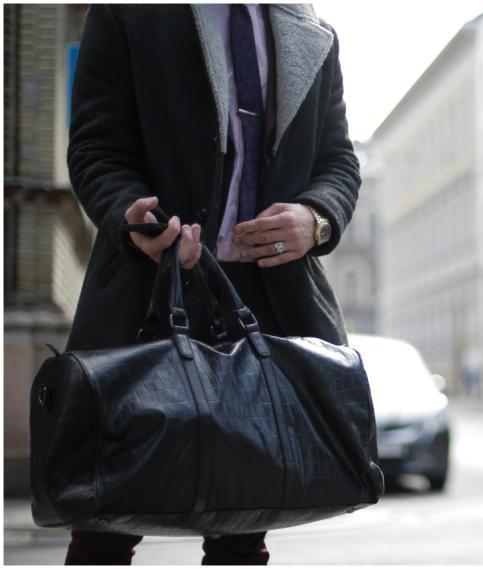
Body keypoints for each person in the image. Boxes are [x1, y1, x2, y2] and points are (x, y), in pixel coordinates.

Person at [63, 4, 359, 564]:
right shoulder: (131, 12)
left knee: (246, 522)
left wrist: (316, 218)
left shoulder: (312, 32)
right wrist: (132, 219)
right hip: (146, 294)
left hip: (264, 299)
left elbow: (338, 161)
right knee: (105, 518)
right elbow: (95, 148)